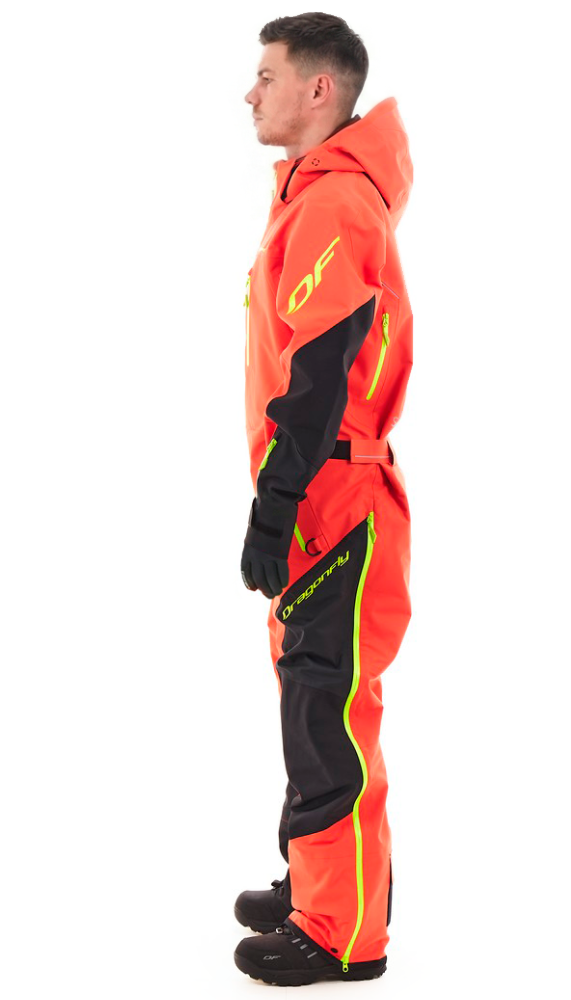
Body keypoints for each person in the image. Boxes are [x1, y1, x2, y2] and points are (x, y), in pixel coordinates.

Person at [235, 13, 414, 986]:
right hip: (327, 491)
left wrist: (277, 500)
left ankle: (340, 933)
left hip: (331, 495)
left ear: (319, 90)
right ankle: (324, 882)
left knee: (326, 712)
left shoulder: (335, 201)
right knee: (319, 700)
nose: (249, 93)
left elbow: (318, 371)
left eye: (266, 76)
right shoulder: (319, 194)